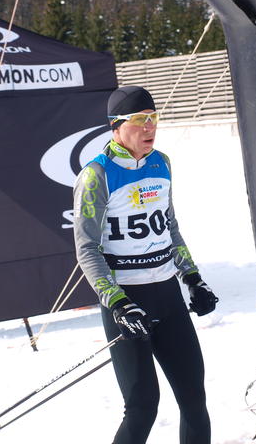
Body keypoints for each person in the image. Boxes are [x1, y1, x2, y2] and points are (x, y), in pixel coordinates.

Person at [73, 85, 218, 444]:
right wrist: (119, 304)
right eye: (140, 120)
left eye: (154, 118)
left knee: (194, 399)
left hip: (167, 296)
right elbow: (87, 250)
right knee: (142, 407)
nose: (150, 127)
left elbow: (170, 228)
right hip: (128, 300)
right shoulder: (97, 175)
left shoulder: (161, 163)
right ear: (116, 126)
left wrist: (193, 278)